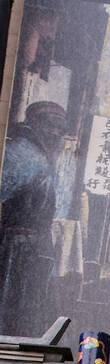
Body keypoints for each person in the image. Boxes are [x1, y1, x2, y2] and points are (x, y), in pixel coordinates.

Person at [0, 100, 67, 334]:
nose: (55, 131)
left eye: (60, 127)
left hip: (34, 245)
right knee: (15, 306)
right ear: (33, 123)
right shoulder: (23, 152)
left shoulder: (41, 153)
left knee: (29, 307)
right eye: (50, 124)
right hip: (16, 246)